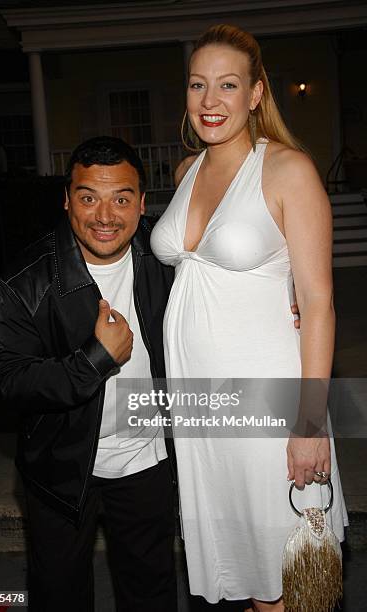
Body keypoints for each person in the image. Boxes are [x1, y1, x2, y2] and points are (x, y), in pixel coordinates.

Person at [150, 24, 348, 611]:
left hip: (271, 404)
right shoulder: (186, 173)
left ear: (257, 94)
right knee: (250, 580)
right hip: (203, 411)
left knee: (288, 582)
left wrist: (310, 422)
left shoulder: (288, 170)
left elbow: (317, 301)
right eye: (197, 85)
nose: (210, 101)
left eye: (228, 85)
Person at [0, 136, 177, 612]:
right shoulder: (27, 278)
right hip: (61, 468)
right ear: (67, 199)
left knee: (151, 590)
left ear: (141, 203)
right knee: (60, 594)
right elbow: (8, 379)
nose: (105, 216)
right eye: (89, 197)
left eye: (121, 198)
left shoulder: (169, 263)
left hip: (146, 460)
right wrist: (94, 360)